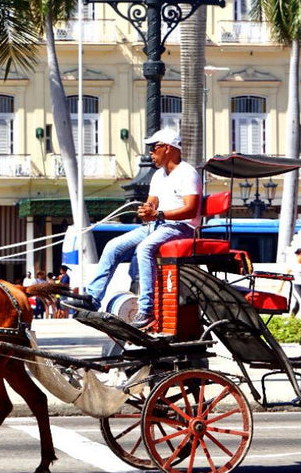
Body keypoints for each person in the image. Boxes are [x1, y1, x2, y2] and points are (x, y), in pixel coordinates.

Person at [63, 128, 201, 328]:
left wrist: (158, 214)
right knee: (113, 245)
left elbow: (191, 209)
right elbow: (151, 203)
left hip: (180, 227)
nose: (151, 154)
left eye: (154, 148)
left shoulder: (187, 173)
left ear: (168, 148)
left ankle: (146, 309)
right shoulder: (159, 176)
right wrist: (147, 211)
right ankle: (93, 298)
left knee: (144, 249)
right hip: (158, 225)